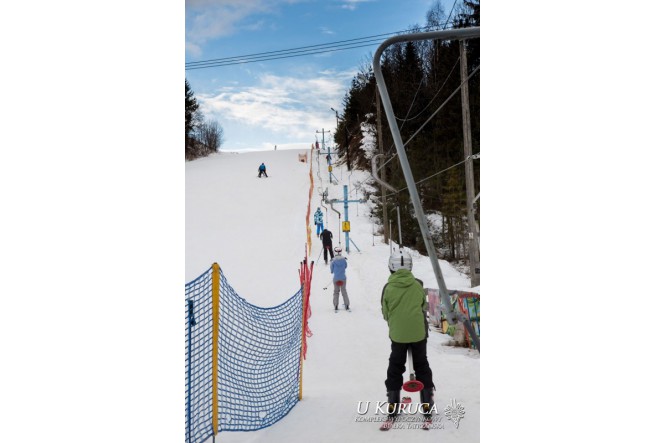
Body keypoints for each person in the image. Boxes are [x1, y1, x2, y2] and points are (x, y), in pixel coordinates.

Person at [380, 249, 435, 423]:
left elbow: (385, 312)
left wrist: (395, 323)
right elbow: (423, 306)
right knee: (421, 364)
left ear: (391, 267)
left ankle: (393, 403)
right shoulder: (417, 285)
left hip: (398, 335)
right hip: (418, 333)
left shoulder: (388, 288)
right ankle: (427, 404)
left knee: (395, 365)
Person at [330, 246, 349, 312]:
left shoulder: (333, 261)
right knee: (344, 291)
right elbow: (345, 266)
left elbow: (331, 270)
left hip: (336, 278)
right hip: (343, 278)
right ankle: (347, 305)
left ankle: (335, 305)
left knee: (336, 292)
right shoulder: (344, 260)